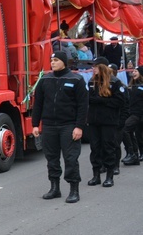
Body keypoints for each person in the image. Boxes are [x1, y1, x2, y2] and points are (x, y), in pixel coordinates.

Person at [31, 51, 88, 203]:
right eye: (51, 60)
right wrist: (35, 124)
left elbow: (83, 105)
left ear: (64, 62)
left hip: (68, 125)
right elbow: (38, 104)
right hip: (49, 125)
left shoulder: (76, 79)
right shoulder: (45, 80)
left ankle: (74, 190)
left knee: (70, 158)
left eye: (56, 60)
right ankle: (55, 188)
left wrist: (79, 127)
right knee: (51, 158)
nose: (53, 63)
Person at [86, 57, 126, 188]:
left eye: (95, 66)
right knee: (95, 148)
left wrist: (102, 100)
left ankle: (110, 176)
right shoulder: (92, 82)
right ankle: (96, 175)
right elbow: (89, 99)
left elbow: (120, 102)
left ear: (102, 67)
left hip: (109, 121)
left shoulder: (115, 82)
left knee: (108, 147)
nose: (93, 69)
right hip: (94, 120)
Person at [122, 66, 143, 166]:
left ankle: (133, 153)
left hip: (139, 114)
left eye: (136, 71)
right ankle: (135, 153)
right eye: (133, 71)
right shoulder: (132, 85)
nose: (133, 73)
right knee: (136, 134)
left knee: (126, 129)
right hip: (132, 113)